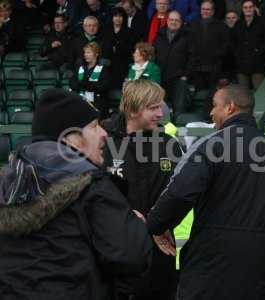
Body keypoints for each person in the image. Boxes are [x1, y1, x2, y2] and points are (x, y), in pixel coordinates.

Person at [0, 88, 152, 300]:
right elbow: (130, 257)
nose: (104, 133)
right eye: (94, 127)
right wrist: (135, 229)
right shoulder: (93, 185)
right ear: (70, 139)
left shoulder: (8, 183)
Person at [146, 84, 265, 300]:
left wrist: (156, 225)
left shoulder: (211, 145)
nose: (211, 113)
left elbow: (180, 192)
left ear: (230, 107)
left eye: (215, 106)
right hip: (258, 256)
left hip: (212, 256)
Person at [102, 79, 183, 300]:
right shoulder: (104, 141)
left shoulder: (169, 144)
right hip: (116, 248)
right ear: (132, 108)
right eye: (153, 107)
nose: (160, 113)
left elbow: (180, 192)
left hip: (161, 247)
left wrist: (157, 223)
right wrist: (130, 219)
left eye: (161, 106)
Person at [187, 0, 229, 116]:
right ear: (200, 10)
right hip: (197, 67)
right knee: (196, 92)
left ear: (213, 11)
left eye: (208, 9)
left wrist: (217, 54)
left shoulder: (221, 26)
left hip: (215, 66)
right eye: (203, 9)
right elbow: (189, 45)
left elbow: (226, 45)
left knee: (213, 93)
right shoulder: (193, 25)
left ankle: (208, 116)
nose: (205, 11)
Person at [154, 11, 190, 121]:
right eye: (171, 20)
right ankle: (164, 133)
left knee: (178, 109)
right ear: (167, 21)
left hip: (178, 77)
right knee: (160, 109)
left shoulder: (187, 36)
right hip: (161, 77)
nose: (174, 22)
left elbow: (193, 57)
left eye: (177, 20)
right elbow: (154, 54)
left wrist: (185, 75)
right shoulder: (159, 35)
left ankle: (177, 133)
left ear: (181, 22)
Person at [232, 0, 265, 90]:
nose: (248, 9)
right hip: (241, 64)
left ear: (254, 8)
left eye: (250, 7)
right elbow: (232, 41)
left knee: (259, 92)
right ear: (242, 9)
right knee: (242, 95)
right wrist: (237, 53)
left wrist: (258, 51)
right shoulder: (238, 24)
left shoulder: (262, 22)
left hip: (257, 63)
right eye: (245, 7)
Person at [70, 42, 111, 118]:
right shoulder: (81, 68)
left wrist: (86, 85)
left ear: (96, 54)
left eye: (88, 52)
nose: (85, 55)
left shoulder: (103, 69)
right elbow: (72, 83)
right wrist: (83, 85)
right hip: (81, 102)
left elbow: (104, 86)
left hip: (97, 104)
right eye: (85, 52)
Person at [101, 6, 132, 88]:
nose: (118, 18)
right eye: (115, 16)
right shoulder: (105, 30)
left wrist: (117, 48)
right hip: (108, 63)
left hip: (122, 63)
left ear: (124, 18)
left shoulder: (129, 31)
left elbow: (130, 49)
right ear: (112, 17)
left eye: (120, 16)